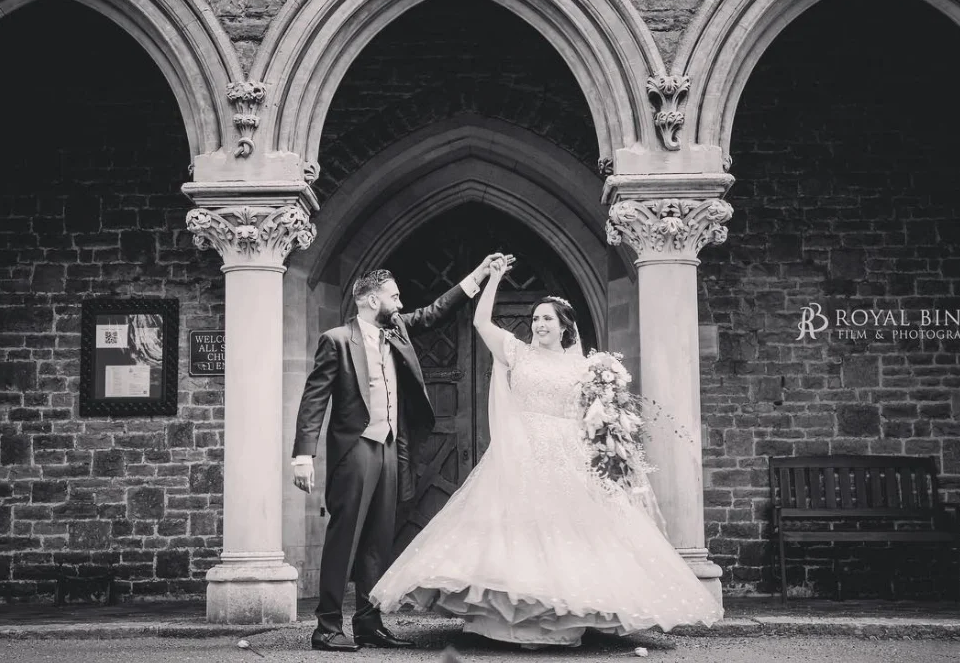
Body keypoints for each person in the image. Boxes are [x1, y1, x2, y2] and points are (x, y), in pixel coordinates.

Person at [368, 256, 723, 647]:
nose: (538, 324)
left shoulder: (587, 368)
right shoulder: (516, 352)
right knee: (515, 536)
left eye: (547, 318)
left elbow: (598, 419)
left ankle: (568, 614)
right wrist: (494, 279)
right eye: (535, 318)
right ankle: (509, 622)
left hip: (569, 457)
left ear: (564, 327)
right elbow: (480, 323)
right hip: (520, 453)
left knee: (570, 539)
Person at [291, 253, 513, 652]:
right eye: (394, 297)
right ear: (372, 300)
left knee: (379, 539)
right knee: (345, 537)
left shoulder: (397, 332)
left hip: (391, 446)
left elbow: (435, 312)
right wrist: (303, 455)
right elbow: (314, 400)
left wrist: (477, 274)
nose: (401, 303)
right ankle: (326, 627)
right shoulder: (338, 341)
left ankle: (368, 624)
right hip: (355, 448)